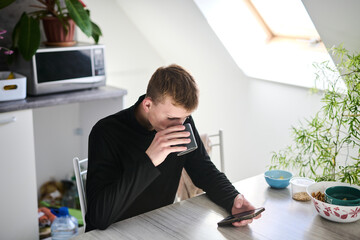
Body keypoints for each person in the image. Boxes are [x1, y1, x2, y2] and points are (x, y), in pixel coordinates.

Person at [85, 64, 261, 231]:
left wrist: (233, 199)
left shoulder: (181, 123)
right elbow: (99, 217)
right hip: (114, 232)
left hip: (160, 227)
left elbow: (203, 170)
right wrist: (150, 160)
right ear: (148, 105)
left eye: (185, 118)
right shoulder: (106, 132)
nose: (179, 126)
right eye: (171, 118)